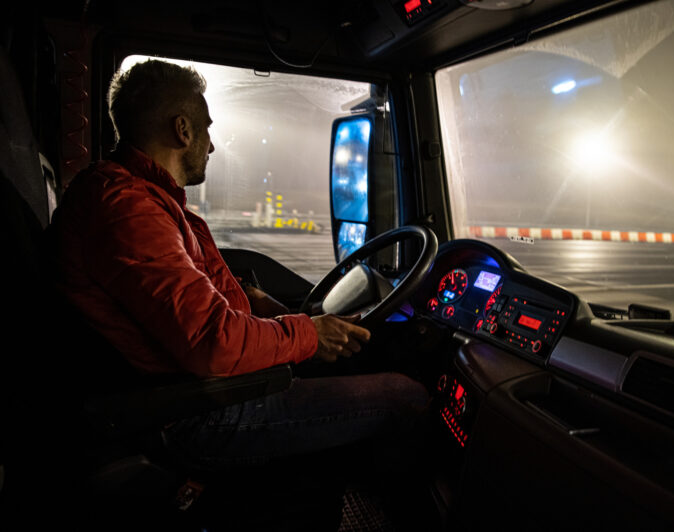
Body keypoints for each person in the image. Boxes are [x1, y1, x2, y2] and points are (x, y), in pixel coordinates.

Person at [45, 59, 429, 481]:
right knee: (404, 395)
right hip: (192, 412)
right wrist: (309, 334)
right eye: (206, 129)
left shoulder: (141, 198)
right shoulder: (127, 210)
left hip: (199, 389)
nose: (210, 146)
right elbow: (212, 343)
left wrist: (253, 299)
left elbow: (185, 292)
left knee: (355, 367)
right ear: (182, 130)